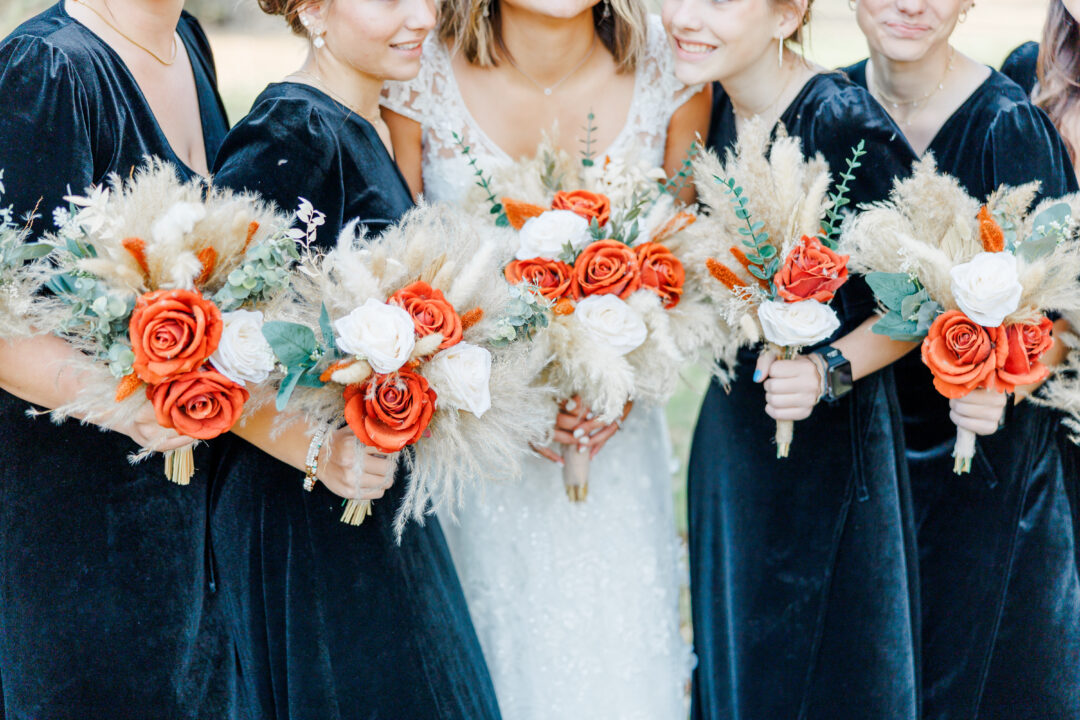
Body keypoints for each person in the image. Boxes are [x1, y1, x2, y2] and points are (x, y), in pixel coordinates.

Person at [381, 1, 707, 717]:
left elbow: (677, 268)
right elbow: (396, 276)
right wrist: (502, 398)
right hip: (479, 456)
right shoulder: (416, 69)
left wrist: (625, 380)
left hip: (612, 449)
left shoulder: (671, 64)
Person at [210, 1, 502, 717]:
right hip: (305, 515)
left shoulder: (361, 123)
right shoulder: (289, 134)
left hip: (370, 499)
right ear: (312, 7)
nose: (421, 16)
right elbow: (217, 348)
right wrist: (318, 453)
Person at [663, 0, 925, 717]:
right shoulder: (707, 106)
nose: (685, 17)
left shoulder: (845, 122)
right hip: (733, 454)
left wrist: (825, 369)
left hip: (831, 468)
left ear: (787, 16)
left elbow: (921, 300)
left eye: (717, 2)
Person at [846, 0, 1080, 717]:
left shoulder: (1010, 117)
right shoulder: (1037, 81)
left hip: (1018, 447)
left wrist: (1019, 372)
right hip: (890, 451)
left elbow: (1058, 312)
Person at [0, 1, 234, 716]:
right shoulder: (48, 70)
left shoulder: (185, 40)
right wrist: (135, 404)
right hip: (79, 536)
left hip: (190, 519)